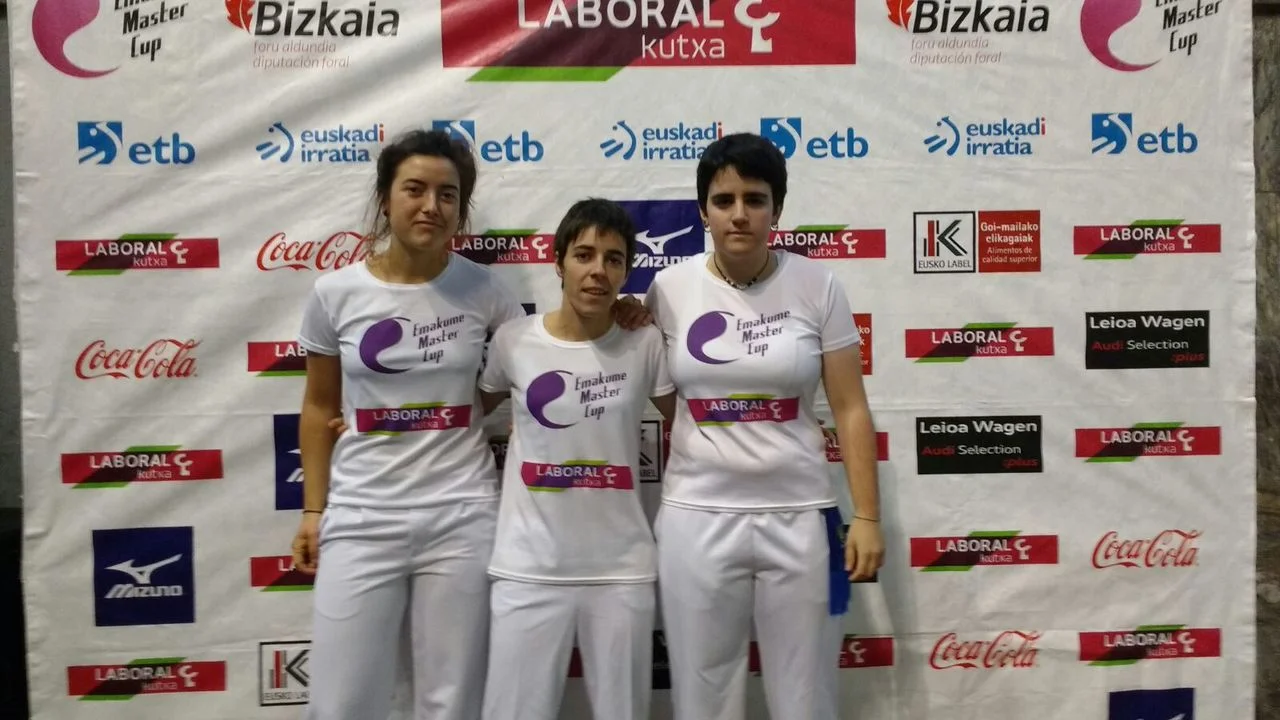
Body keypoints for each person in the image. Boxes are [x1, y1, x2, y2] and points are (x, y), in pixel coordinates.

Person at [632, 132, 885, 720]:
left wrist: (868, 516)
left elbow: (850, 407)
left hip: (800, 516)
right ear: (703, 211)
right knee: (702, 698)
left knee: (806, 699)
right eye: (724, 201)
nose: (739, 214)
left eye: (755, 199)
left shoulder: (819, 285)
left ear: (778, 208)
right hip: (697, 517)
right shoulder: (668, 288)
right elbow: (669, 396)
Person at [290, 128, 532, 720]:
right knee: (341, 703)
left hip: (461, 514)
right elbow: (319, 407)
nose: (431, 206)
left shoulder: (485, 289)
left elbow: (537, 363)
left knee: (451, 702)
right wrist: (314, 511)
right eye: (415, 190)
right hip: (362, 513)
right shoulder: (335, 293)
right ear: (386, 198)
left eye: (447, 195)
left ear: (460, 209)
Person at [475, 198, 676, 720]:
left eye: (613, 259)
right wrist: (367, 421)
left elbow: (696, 427)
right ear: (558, 261)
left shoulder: (644, 342)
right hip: (528, 567)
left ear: (626, 272)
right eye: (584, 255)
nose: (598, 270)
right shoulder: (514, 340)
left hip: (621, 571)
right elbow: (464, 413)